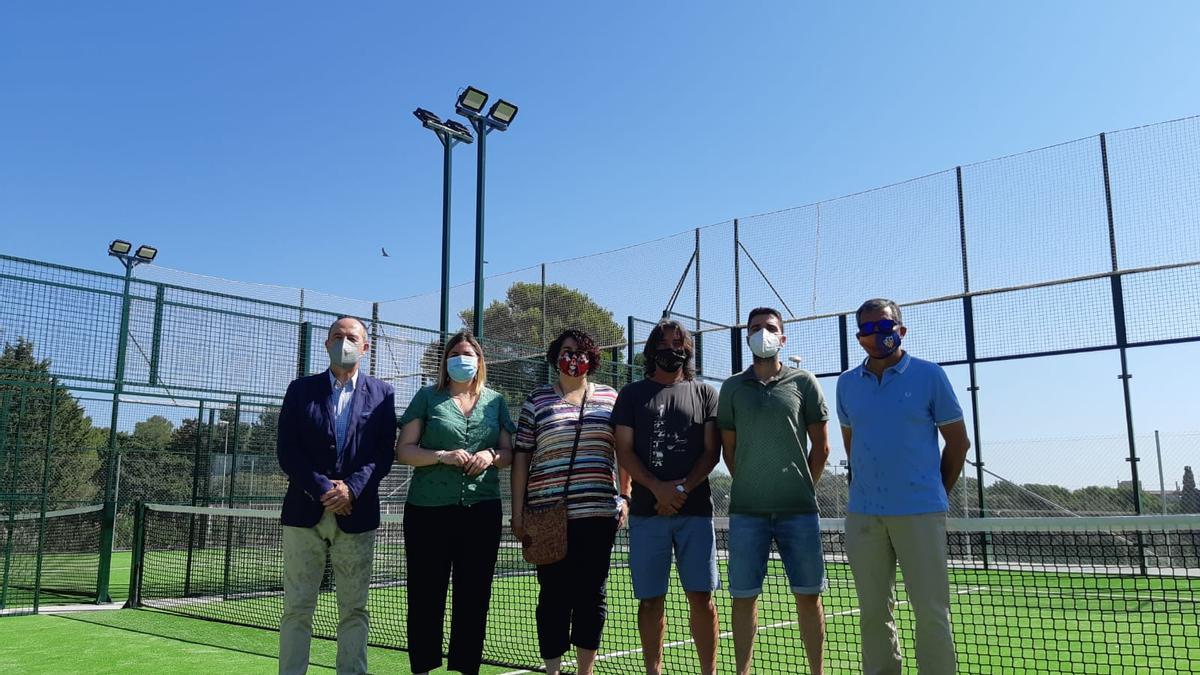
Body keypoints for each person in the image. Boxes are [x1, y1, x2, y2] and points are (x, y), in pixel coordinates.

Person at [836, 298, 970, 675]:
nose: (876, 335)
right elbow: (853, 444)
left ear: (901, 329)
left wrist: (935, 493)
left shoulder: (930, 376)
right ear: (859, 337)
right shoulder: (847, 384)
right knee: (873, 613)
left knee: (931, 611)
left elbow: (958, 443)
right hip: (864, 514)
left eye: (884, 326)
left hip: (920, 513)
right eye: (868, 329)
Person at [276, 316, 397, 675]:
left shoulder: (383, 394)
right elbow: (288, 450)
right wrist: (324, 488)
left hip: (357, 516)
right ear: (326, 343)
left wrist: (352, 489)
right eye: (337, 336)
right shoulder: (300, 390)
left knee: (354, 609)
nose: (344, 342)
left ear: (365, 347)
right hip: (304, 512)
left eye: (352, 337)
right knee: (297, 607)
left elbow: (382, 453)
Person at [718, 306, 831, 675]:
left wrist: (800, 488)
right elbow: (729, 450)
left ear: (782, 338)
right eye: (755, 328)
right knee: (743, 598)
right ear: (746, 337)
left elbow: (822, 448)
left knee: (808, 596)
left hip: (799, 512)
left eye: (769, 328)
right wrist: (751, 482)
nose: (762, 333)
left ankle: (817, 671)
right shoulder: (732, 387)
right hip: (747, 512)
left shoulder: (804, 383)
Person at [395, 331, 515, 675]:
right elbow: (404, 451)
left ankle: (467, 669)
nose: (463, 358)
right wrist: (441, 456)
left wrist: (490, 456)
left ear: (479, 361)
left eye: (469, 353)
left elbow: (509, 453)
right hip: (427, 513)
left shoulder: (496, 401)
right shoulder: (427, 398)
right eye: (456, 353)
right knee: (425, 596)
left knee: (474, 598)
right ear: (445, 362)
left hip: (482, 511)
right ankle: (422, 668)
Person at [511, 328, 628, 675]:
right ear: (554, 356)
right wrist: (518, 513)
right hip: (546, 517)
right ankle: (552, 671)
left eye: (580, 351)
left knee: (592, 596)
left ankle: (585, 671)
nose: (573, 357)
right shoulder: (537, 401)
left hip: (598, 515)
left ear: (592, 358)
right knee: (552, 598)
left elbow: (623, 452)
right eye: (566, 350)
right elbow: (521, 459)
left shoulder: (611, 398)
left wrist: (626, 496)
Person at [613, 319, 721, 675]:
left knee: (702, 599)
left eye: (679, 343)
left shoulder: (705, 394)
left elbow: (711, 452)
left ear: (688, 350)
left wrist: (681, 489)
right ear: (651, 351)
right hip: (647, 513)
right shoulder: (631, 395)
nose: (672, 349)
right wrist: (656, 489)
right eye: (664, 343)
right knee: (650, 600)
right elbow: (624, 451)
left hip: (695, 513)